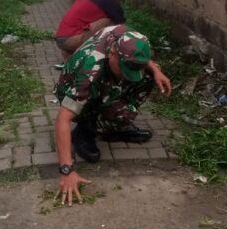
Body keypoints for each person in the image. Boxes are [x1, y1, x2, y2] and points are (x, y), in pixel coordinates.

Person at [53, 25, 172, 206]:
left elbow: (138, 58)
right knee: (110, 105)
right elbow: (62, 119)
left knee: (145, 80)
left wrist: (156, 71)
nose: (127, 74)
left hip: (102, 78)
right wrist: (66, 170)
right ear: (113, 53)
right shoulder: (91, 67)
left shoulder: (132, 38)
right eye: (124, 69)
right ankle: (85, 129)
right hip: (71, 90)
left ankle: (109, 125)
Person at [54, 0, 131, 60]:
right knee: (111, 24)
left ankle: (71, 53)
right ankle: (105, 57)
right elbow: (123, 29)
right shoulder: (110, 1)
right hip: (70, 40)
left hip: (60, 38)